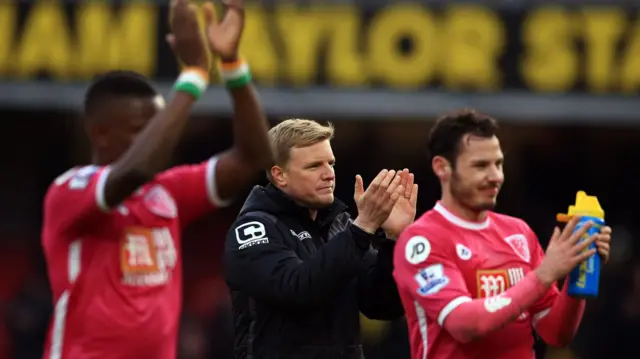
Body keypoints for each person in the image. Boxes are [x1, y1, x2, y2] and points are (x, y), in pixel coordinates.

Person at [40, 0, 272, 358]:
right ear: (100, 134)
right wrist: (194, 75)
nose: (159, 136)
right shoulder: (69, 191)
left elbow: (253, 156)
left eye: (158, 126)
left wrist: (232, 66)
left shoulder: (167, 193)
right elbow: (136, 169)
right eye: (142, 129)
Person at [392, 109, 613, 359]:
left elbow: (556, 334)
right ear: (442, 167)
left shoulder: (519, 233)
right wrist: (543, 275)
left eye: (498, 163)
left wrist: (577, 270)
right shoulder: (422, 241)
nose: (495, 176)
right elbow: (466, 324)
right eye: (480, 166)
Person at [224, 119, 418, 359]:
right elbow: (297, 289)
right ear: (280, 175)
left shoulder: (339, 226)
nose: (329, 175)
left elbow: (382, 305)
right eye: (314, 166)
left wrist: (394, 239)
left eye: (331, 163)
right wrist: (364, 226)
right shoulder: (255, 229)